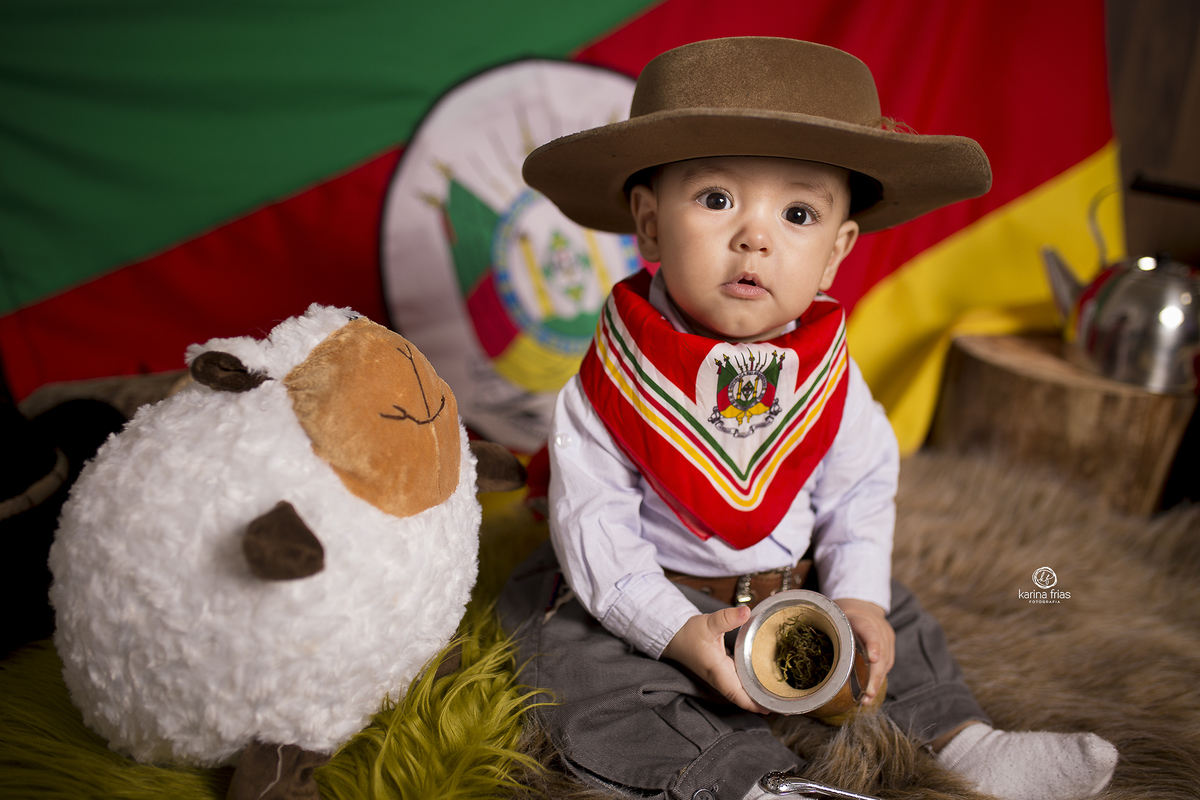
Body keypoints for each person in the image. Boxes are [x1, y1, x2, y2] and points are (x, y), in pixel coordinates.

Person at [498, 37, 1117, 800]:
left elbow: (858, 492)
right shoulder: (606, 385)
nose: (754, 235)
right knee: (570, 661)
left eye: (797, 213)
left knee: (900, 625)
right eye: (717, 199)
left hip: (792, 584)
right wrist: (679, 633)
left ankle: (969, 743)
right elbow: (596, 528)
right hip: (652, 585)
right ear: (649, 224)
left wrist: (855, 596)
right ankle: (744, 785)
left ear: (834, 254)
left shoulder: (829, 375)